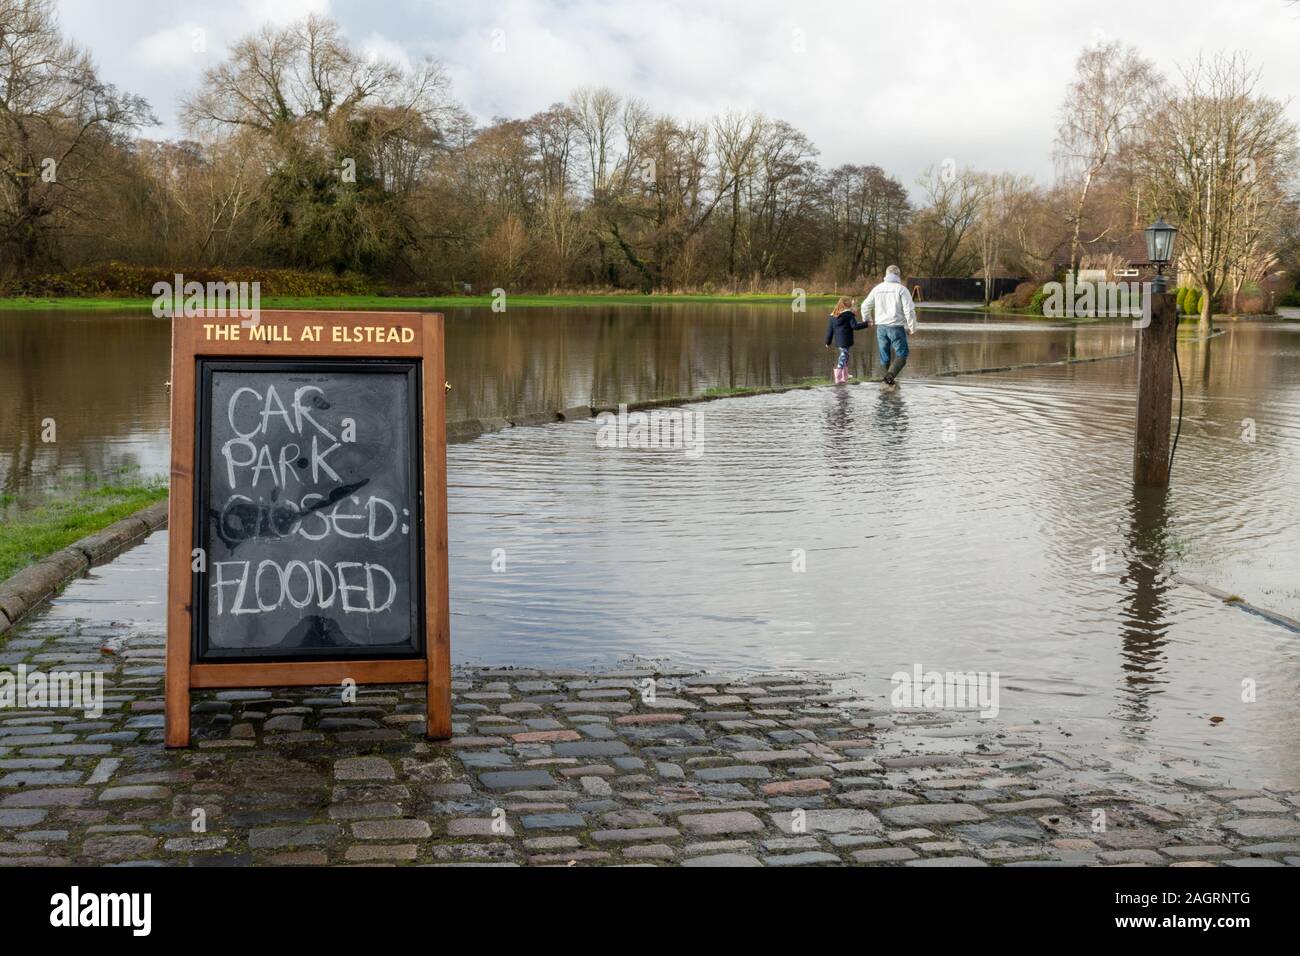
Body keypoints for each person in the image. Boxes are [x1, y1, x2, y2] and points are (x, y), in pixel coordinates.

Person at [861, 265, 917, 389]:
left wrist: (868, 320)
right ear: (898, 275)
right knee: (902, 354)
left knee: (884, 355)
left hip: (881, 327)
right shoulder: (901, 289)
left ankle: (887, 384)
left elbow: (865, 306)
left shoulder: (878, 288)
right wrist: (912, 327)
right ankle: (889, 379)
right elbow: (909, 310)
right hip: (896, 327)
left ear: (886, 274)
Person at [824, 296, 868, 384]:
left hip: (839, 341)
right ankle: (838, 377)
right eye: (850, 304)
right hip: (846, 340)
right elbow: (855, 326)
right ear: (847, 305)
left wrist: (827, 342)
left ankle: (845, 375)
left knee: (845, 356)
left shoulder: (833, 315)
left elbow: (830, 330)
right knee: (843, 356)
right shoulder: (848, 315)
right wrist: (867, 324)